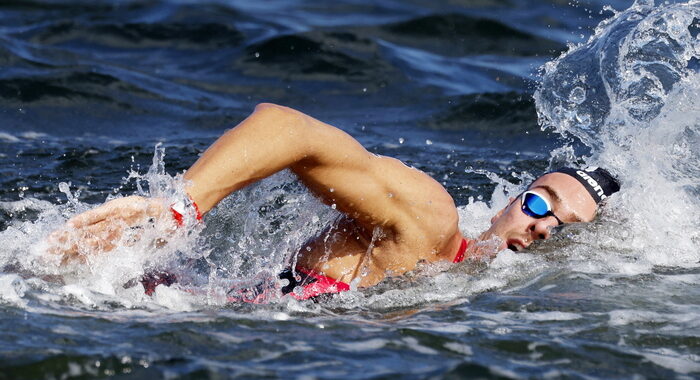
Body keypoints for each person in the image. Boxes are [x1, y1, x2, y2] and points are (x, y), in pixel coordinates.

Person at [48, 103, 620, 301]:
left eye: (563, 229)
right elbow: (291, 128)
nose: (543, 228)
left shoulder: (466, 284)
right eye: (540, 205)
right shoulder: (431, 220)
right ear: (510, 200)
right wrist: (178, 209)